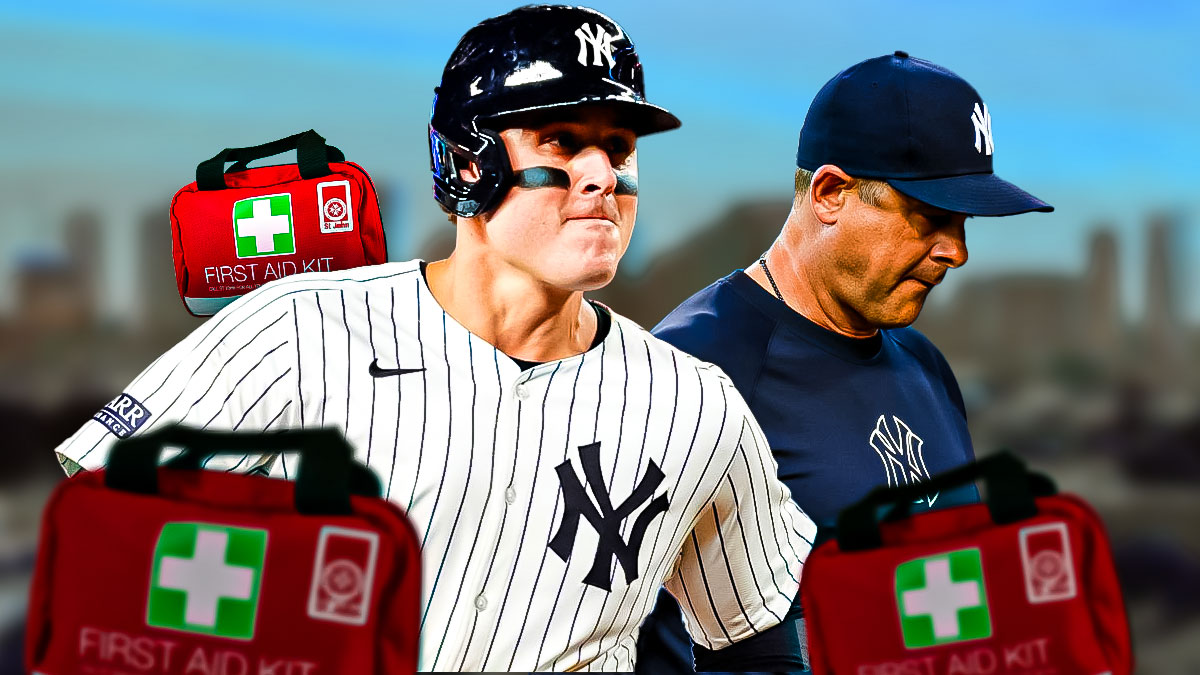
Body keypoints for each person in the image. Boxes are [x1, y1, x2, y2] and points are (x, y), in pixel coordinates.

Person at [54, 6, 816, 672]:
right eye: (559, 140)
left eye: (618, 149)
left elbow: (758, 635)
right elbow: (100, 537)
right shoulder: (296, 329)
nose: (601, 175)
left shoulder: (695, 406)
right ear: (466, 161)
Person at [635, 51, 1055, 672]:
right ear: (831, 193)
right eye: (932, 219)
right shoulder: (688, 375)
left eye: (964, 222)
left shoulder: (923, 364)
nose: (957, 252)